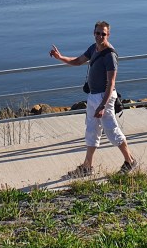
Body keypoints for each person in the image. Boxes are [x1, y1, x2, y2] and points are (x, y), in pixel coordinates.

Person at [50, 21, 138, 177]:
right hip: (92, 96)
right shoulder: (93, 48)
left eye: (103, 34)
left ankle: (130, 161)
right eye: (98, 33)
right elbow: (78, 61)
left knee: (112, 130)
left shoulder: (110, 55)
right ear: (94, 33)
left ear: (108, 35)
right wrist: (60, 57)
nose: (100, 36)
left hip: (104, 98)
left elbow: (111, 82)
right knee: (91, 130)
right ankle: (87, 166)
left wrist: (103, 105)